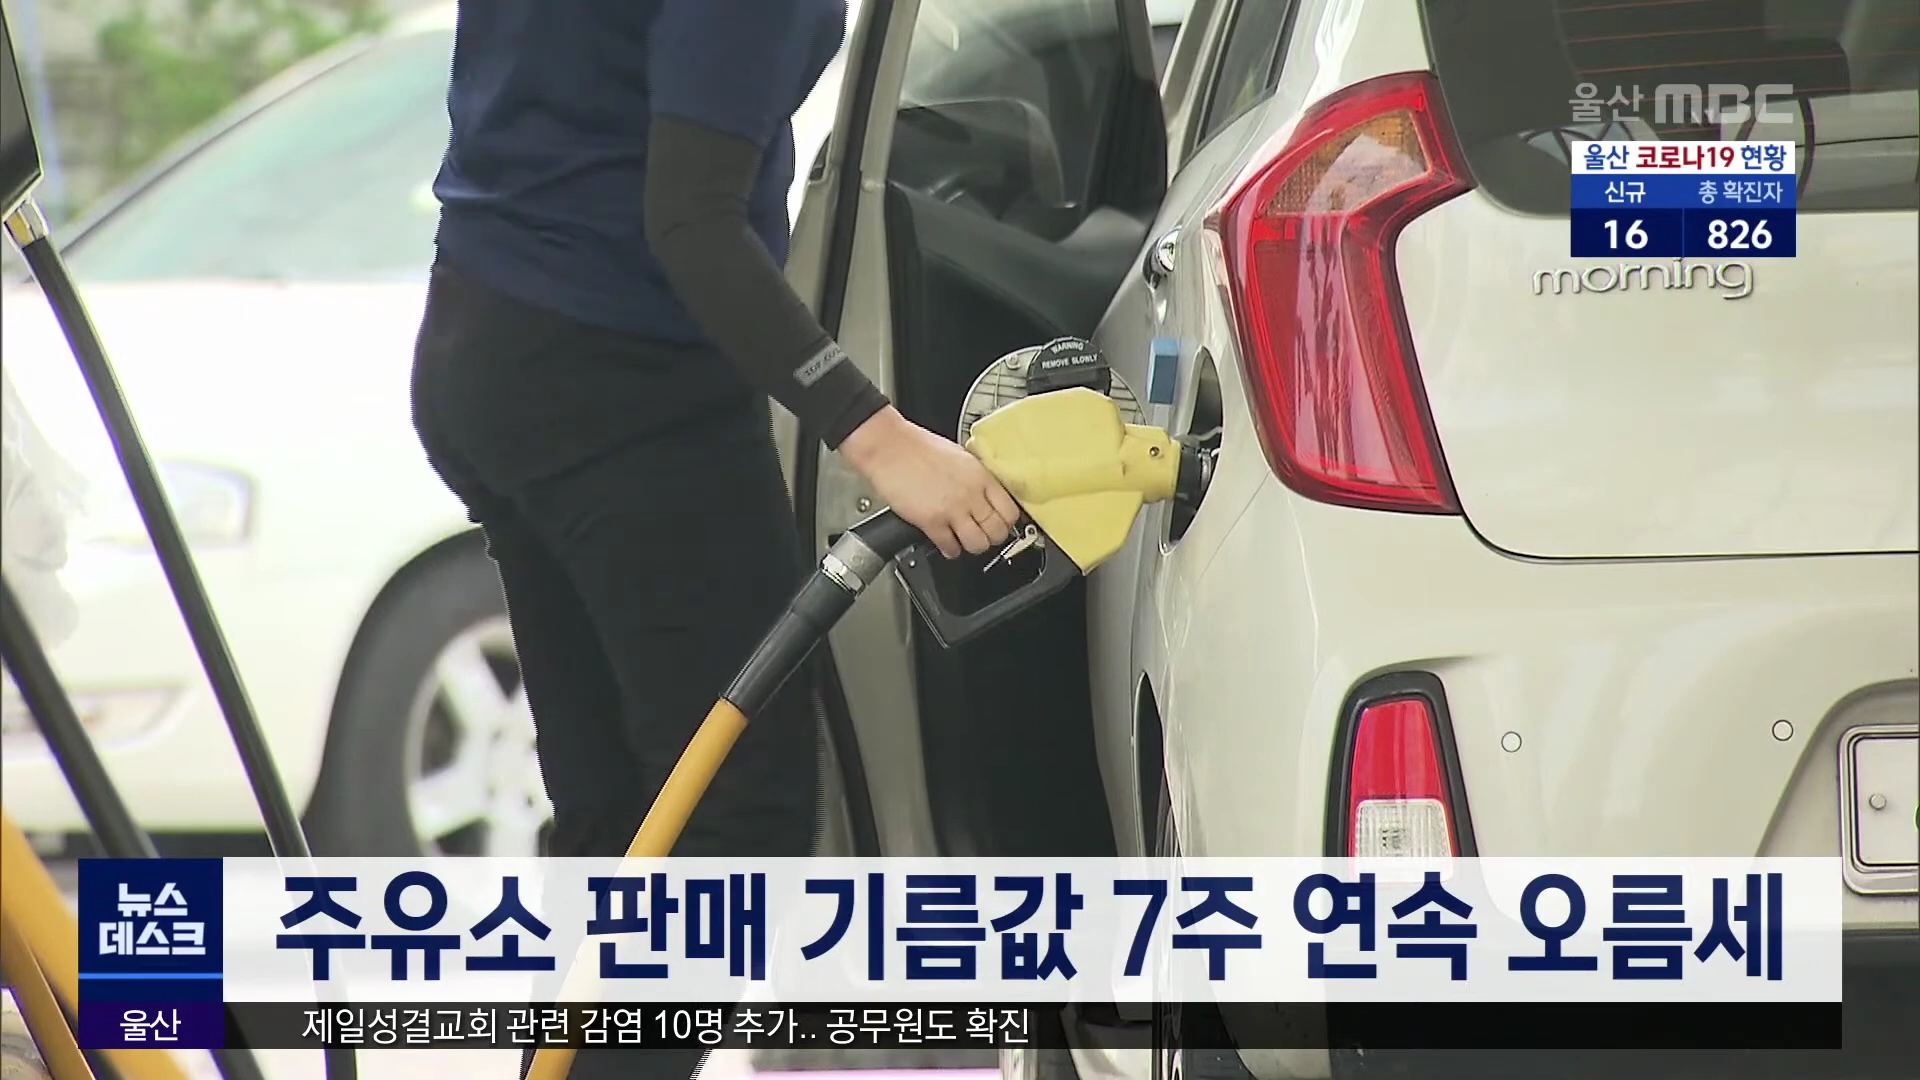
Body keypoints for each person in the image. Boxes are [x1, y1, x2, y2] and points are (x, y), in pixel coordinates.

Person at [408, 1, 1020, 1074]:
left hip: (487, 331)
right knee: (733, 820)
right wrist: (881, 440)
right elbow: (690, 222)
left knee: (619, 823)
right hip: (621, 382)